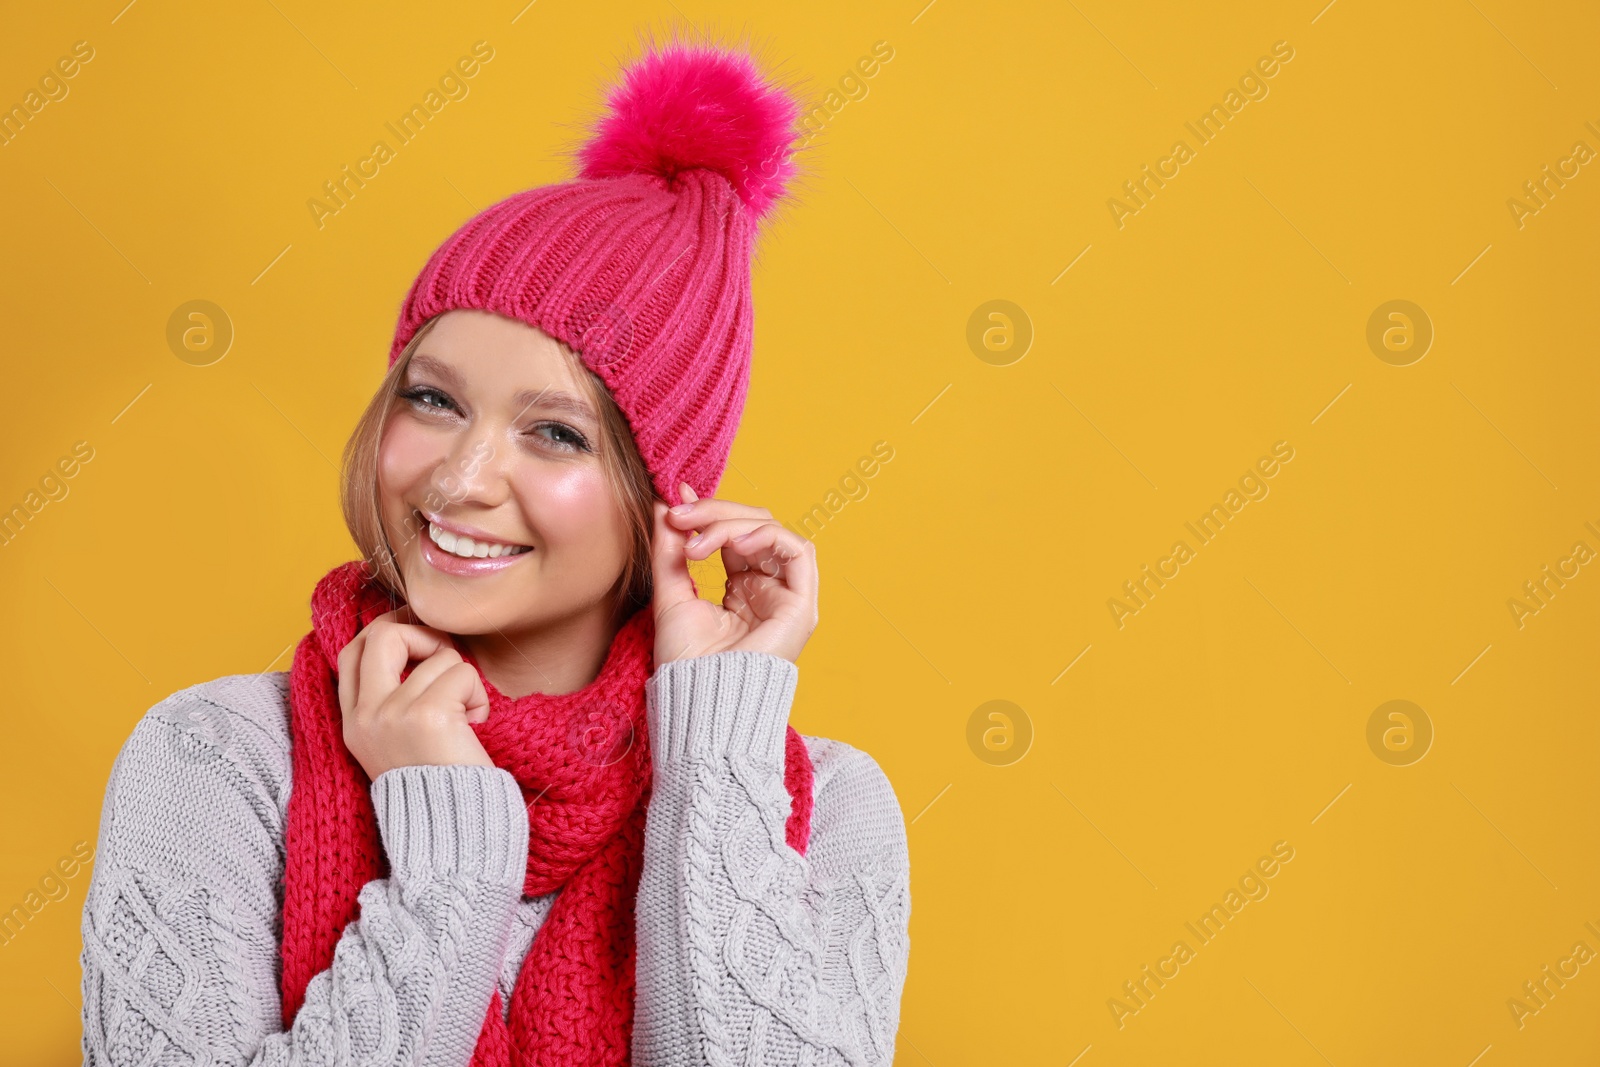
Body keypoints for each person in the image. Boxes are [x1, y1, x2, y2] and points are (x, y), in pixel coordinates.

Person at [77, 39, 911, 1067]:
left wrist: (717, 753)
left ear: (668, 496)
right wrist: (455, 851)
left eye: (554, 433)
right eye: (432, 399)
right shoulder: (219, 757)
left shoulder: (818, 802)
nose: (461, 478)